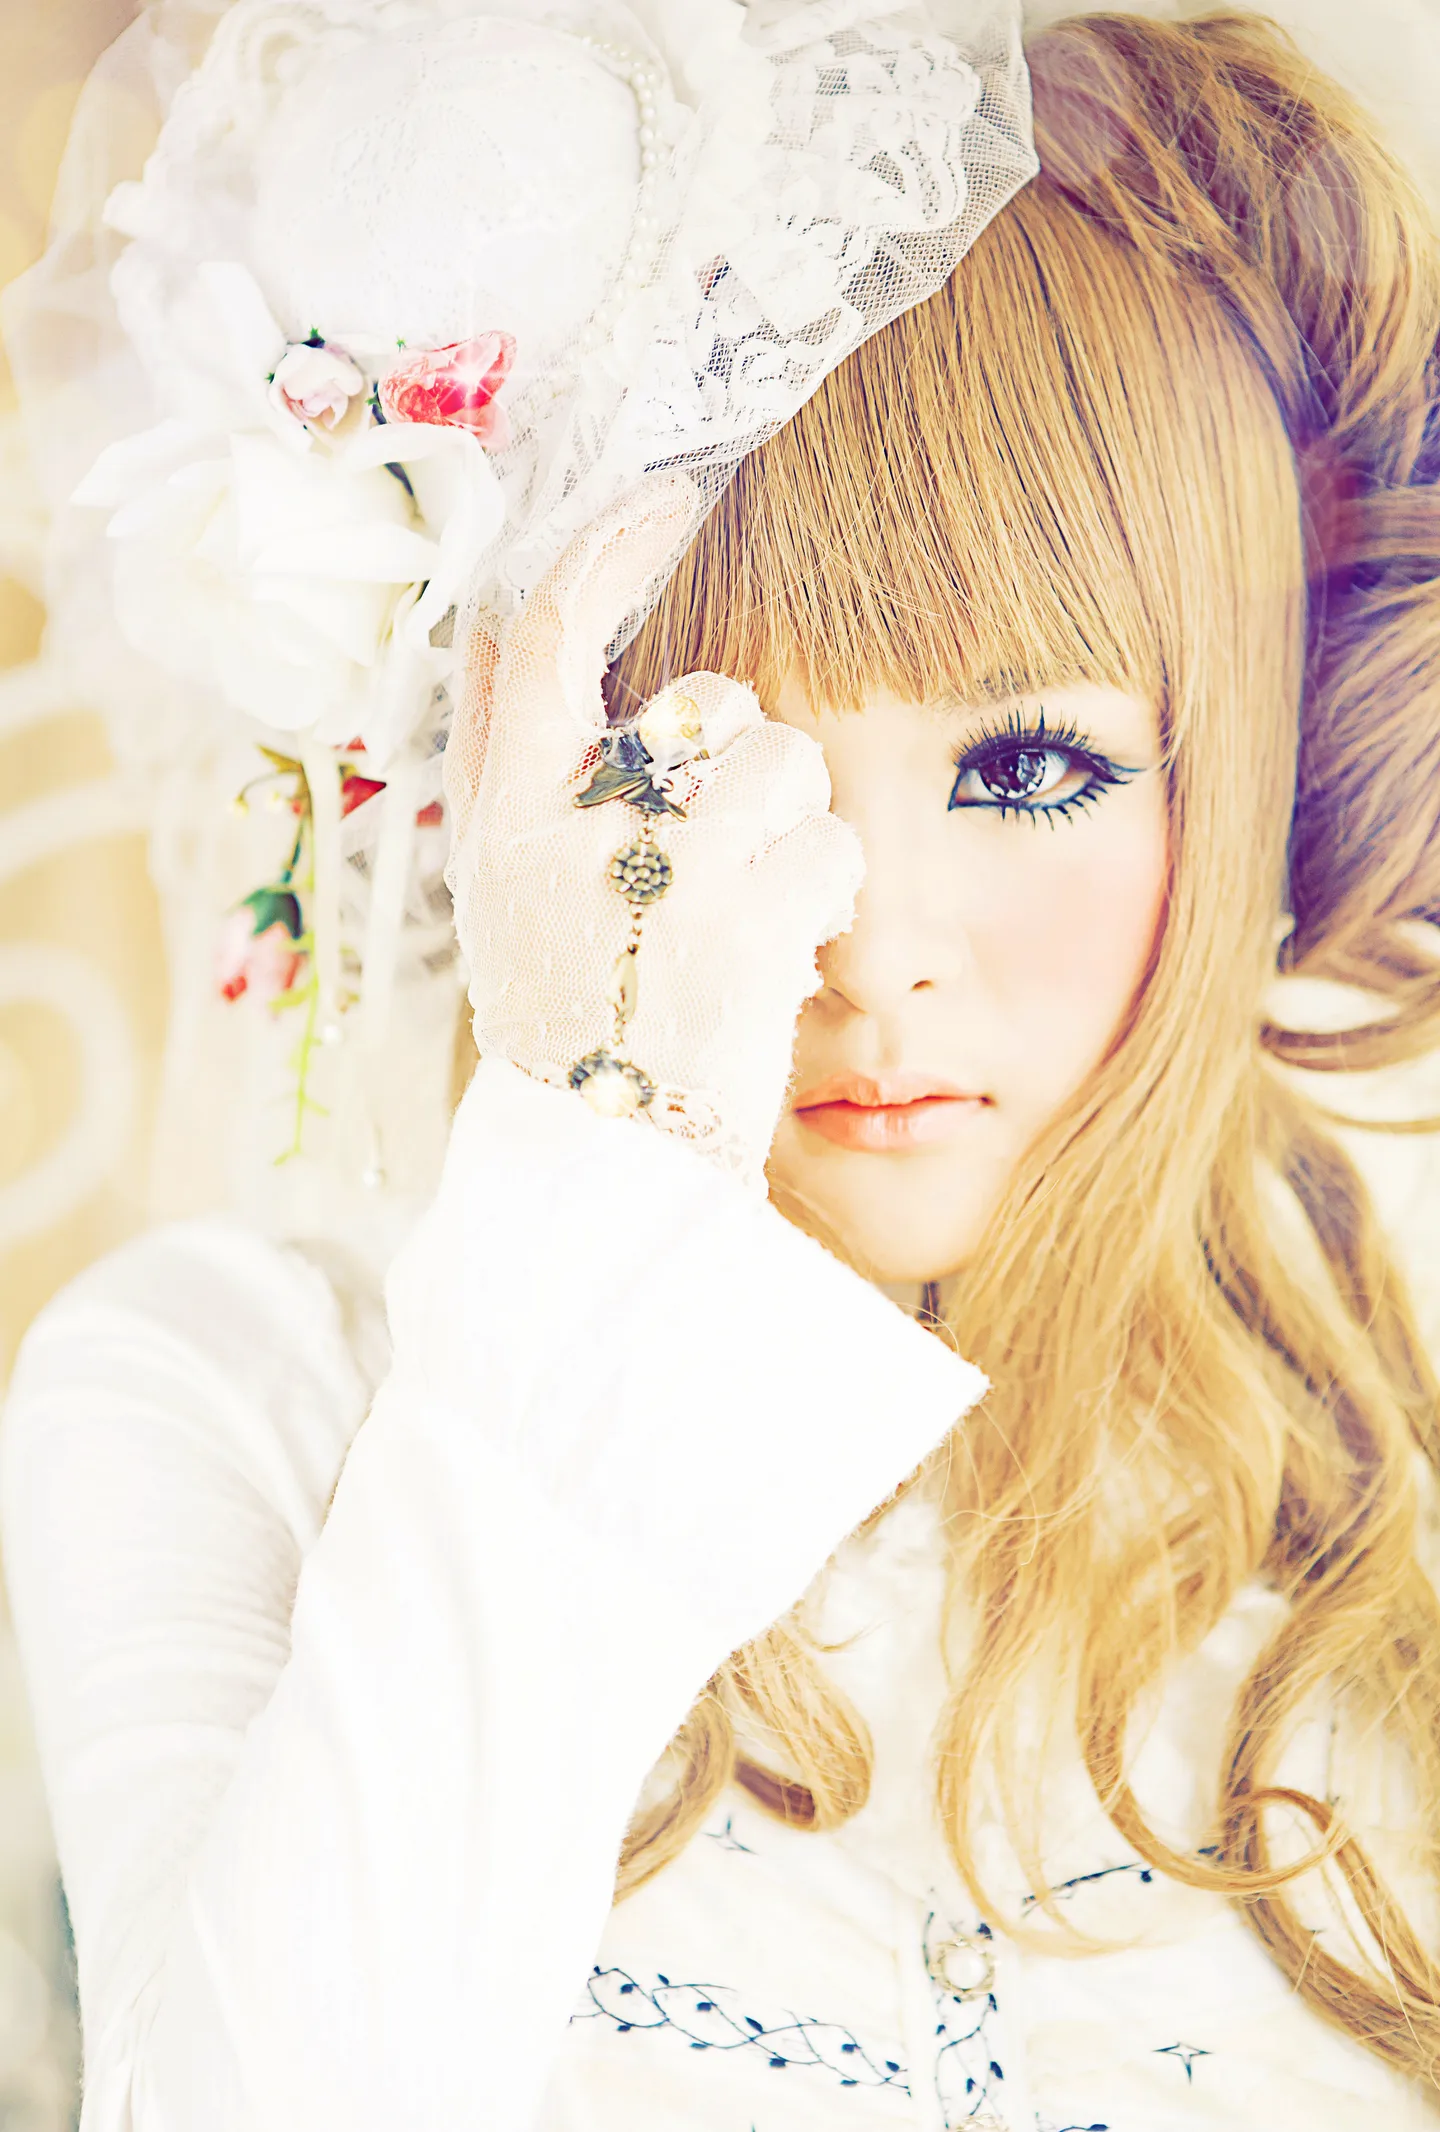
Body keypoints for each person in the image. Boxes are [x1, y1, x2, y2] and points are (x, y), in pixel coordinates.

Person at [4, 4, 1440, 2128]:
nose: (862, 939)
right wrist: (615, 1148)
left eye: (1027, 766)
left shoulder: (1388, 1512)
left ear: (1230, 779)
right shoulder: (231, 1389)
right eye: (691, 760)